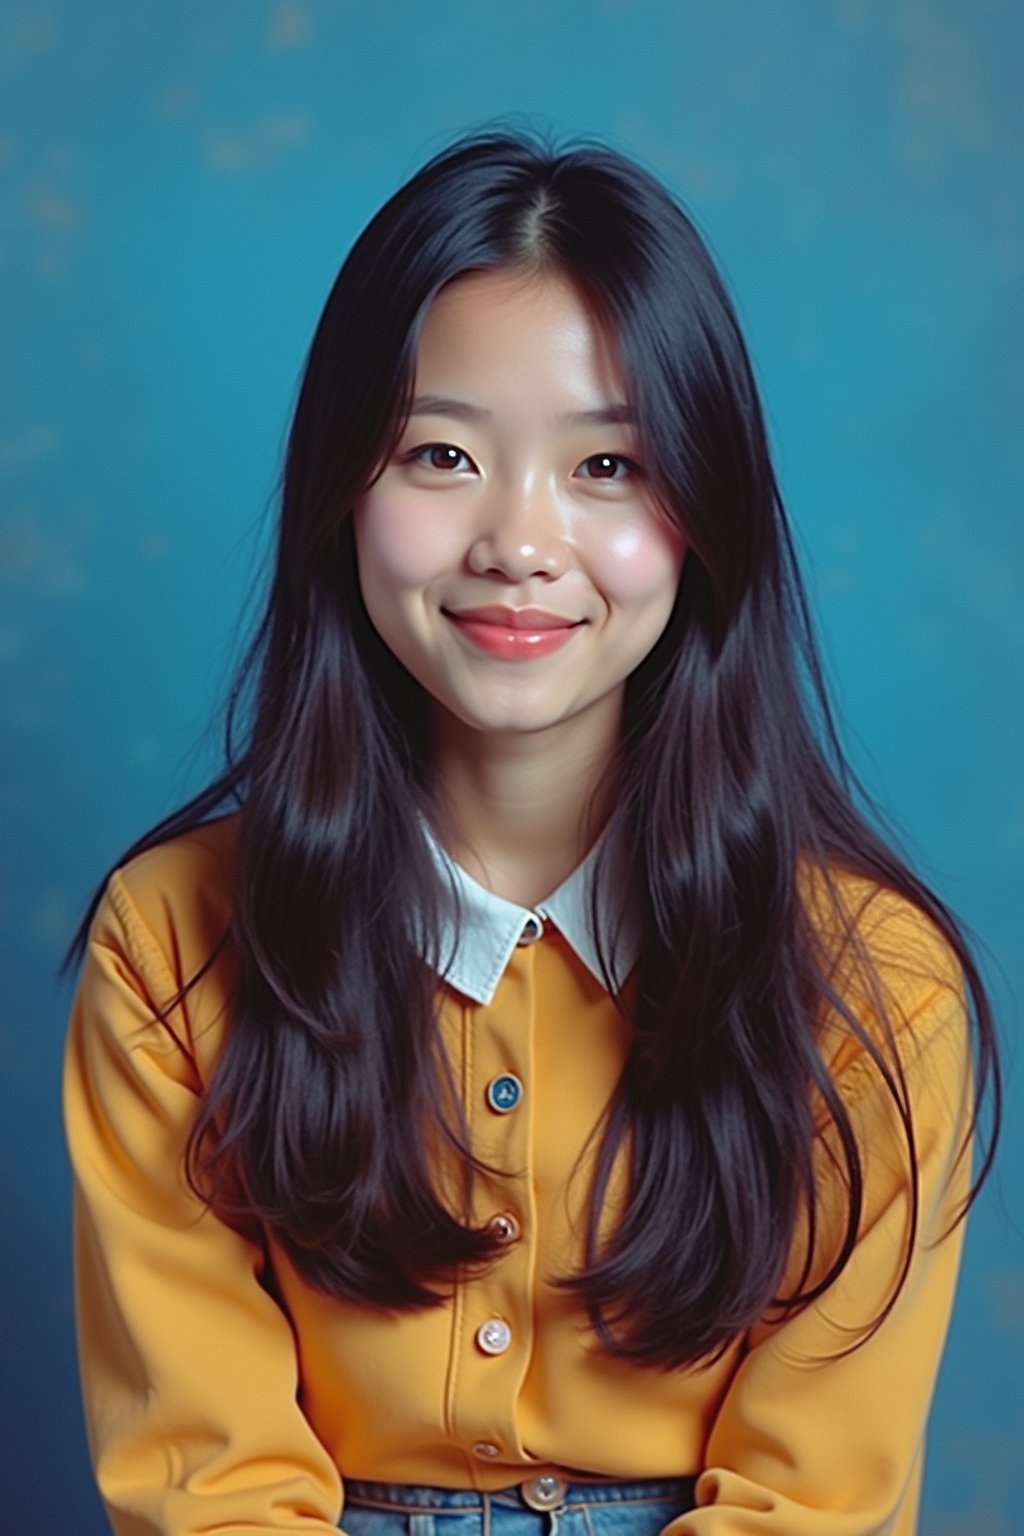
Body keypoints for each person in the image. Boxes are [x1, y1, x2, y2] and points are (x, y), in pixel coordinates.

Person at [63, 130, 999, 1536]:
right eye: (440, 452)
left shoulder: (876, 984)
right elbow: (206, 1488)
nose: (518, 538)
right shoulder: (172, 939)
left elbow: (816, 1505)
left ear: (706, 515)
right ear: (342, 493)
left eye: (609, 467)